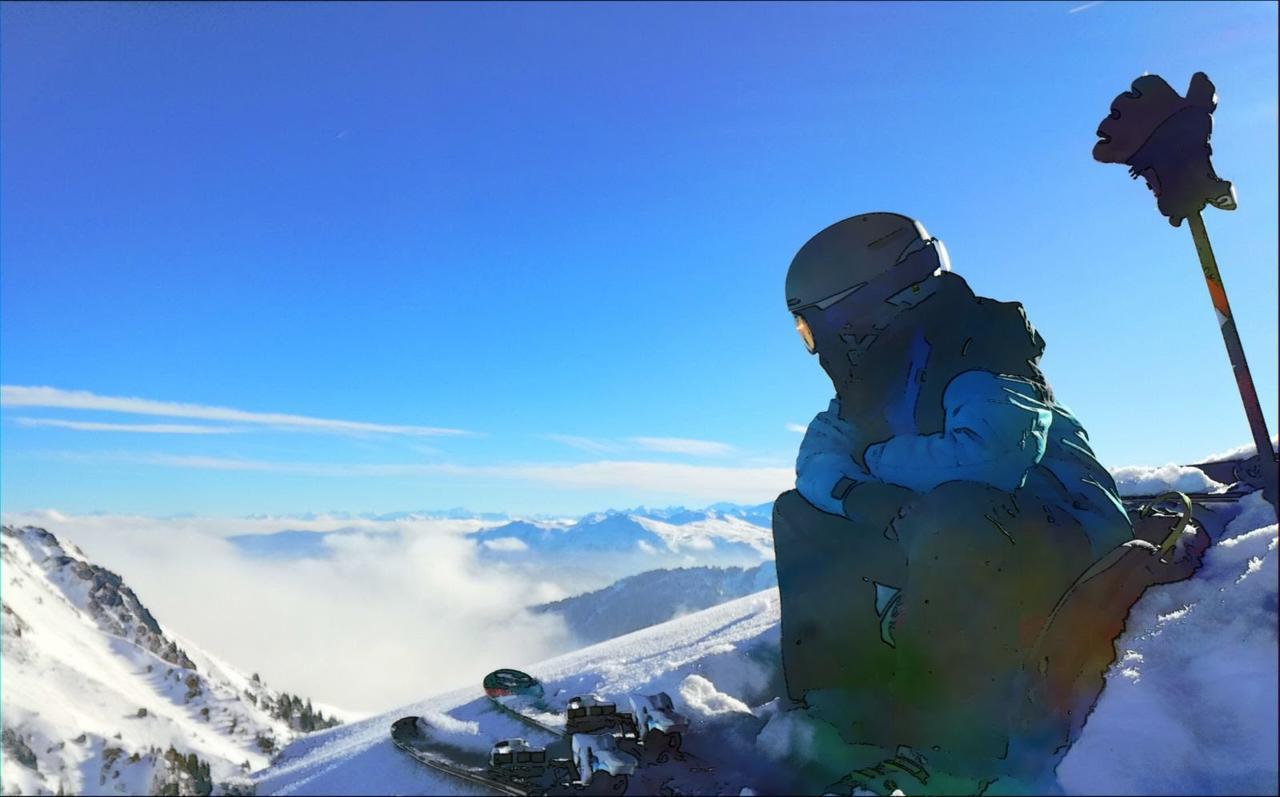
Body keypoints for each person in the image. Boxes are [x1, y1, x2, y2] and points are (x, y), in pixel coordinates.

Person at [773, 212, 1205, 794]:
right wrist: (855, 495)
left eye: (811, 326)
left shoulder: (984, 347)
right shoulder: (870, 375)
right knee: (800, 516)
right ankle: (843, 705)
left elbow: (990, 459)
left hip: (1068, 533)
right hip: (957, 537)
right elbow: (815, 465)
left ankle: (951, 759)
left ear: (859, 305)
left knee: (958, 512)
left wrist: (871, 466)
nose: (813, 342)